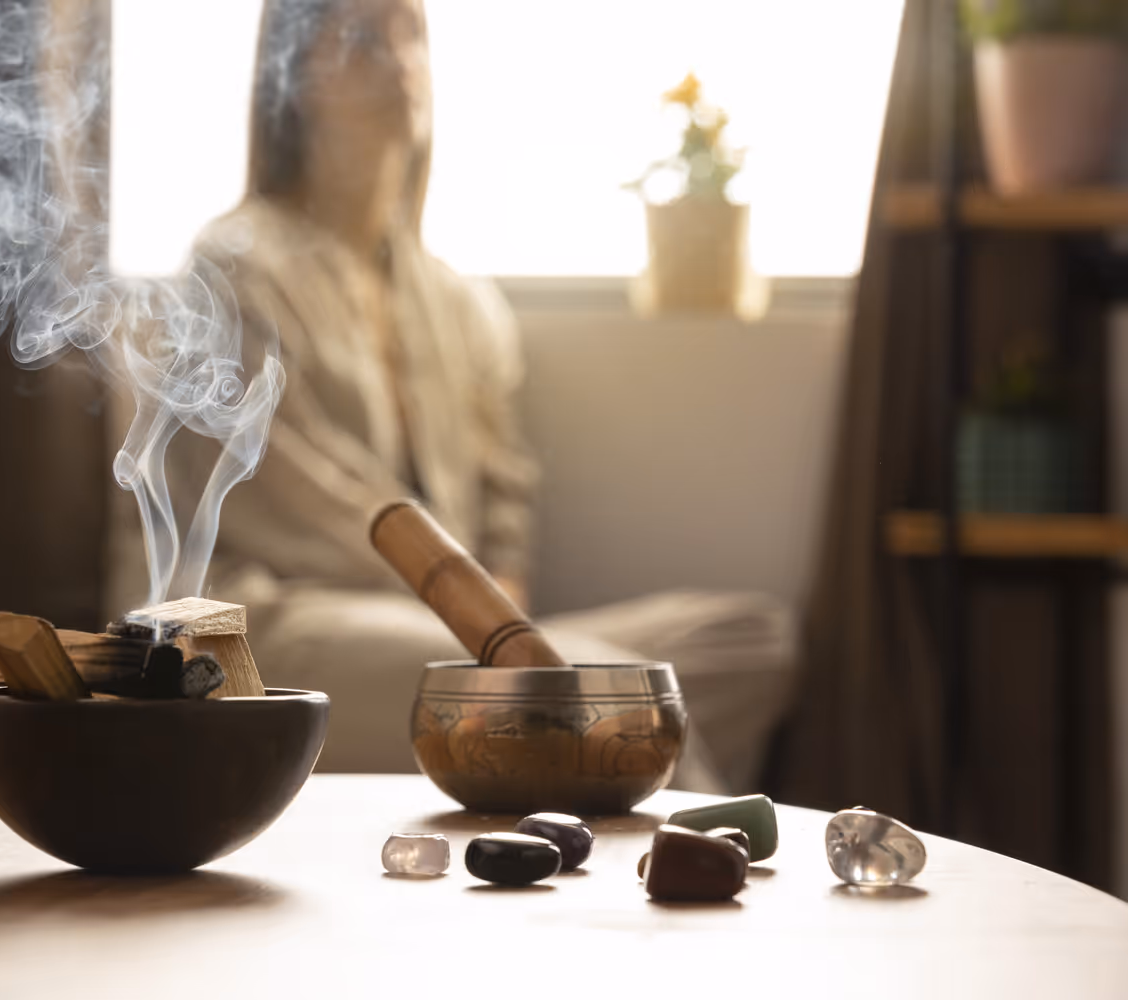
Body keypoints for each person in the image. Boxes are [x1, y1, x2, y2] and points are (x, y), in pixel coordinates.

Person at [107, 0, 793, 788]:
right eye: (363, 37)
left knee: (751, 639)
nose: (399, 59)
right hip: (275, 623)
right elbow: (294, 500)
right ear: (291, 75)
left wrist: (499, 598)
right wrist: (475, 610)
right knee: (614, 700)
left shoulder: (454, 298)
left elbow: (505, 486)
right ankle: (694, 862)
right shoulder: (232, 266)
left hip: (455, 619)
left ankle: (545, 748)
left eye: (412, 34)